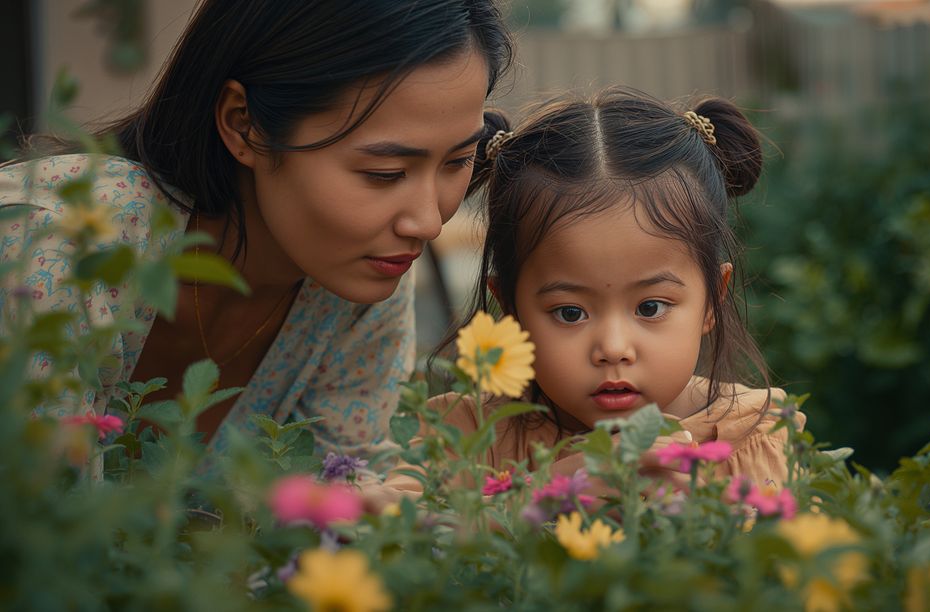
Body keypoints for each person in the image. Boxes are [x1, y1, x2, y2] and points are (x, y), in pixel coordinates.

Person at [0, 0, 513, 456]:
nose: (427, 222)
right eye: (384, 173)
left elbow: (343, 501)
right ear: (244, 123)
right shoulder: (58, 245)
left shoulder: (356, 290)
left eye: (458, 160)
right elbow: (49, 532)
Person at [376, 87, 806, 503]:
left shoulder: (752, 435)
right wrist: (541, 494)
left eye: (650, 307)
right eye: (569, 312)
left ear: (713, 298)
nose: (613, 349)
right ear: (510, 308)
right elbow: (393, 536)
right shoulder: (467, 435)